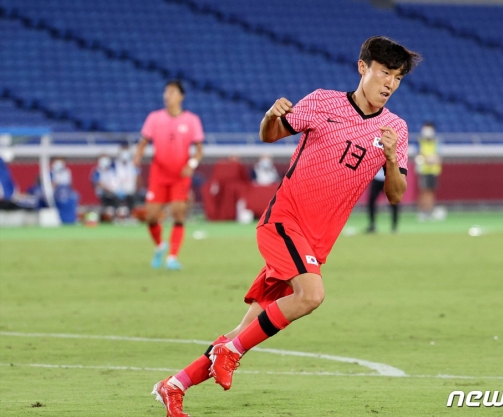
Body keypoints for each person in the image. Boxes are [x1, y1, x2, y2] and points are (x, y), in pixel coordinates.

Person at [151, 36, 421, 417]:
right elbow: (271, 134)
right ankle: (230, 353)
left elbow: (395, 195)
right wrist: (270, 115)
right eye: (384, 72)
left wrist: (391, 158)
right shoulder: (323, 102)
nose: (390, 83)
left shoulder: (396, 129)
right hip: (283, 222)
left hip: (315, 243)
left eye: (397, 77)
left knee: (245, 329)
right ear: (363, 67)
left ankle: (174, 385)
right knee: (311, 295)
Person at [134, 80, 204, 270]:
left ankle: (172, 257)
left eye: (172, 92)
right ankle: (160, 246)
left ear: (181, 96)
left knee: (178, 211)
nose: (167, 95)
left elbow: (199, 150)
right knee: (151, 216)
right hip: (159, 173)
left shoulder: (191, 120)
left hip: (180, 175)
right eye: (166, 92)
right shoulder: (154, 118)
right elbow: (143, 141)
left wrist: (191, 164)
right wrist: (137, 156)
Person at [415, 122, 441, 220]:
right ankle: (423, 211)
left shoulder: (436, 141)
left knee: (431, 191)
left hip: (433, 170)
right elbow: (419, 154)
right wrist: (426, 159)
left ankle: (429, 210)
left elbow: (439, 154)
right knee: (424, 191)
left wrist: (434, 159)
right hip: (424, 170)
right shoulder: (420, 141)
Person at [366, 167, 399, 233]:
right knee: (371, 202)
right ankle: (372, 224)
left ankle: (394, 226)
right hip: (377, 178)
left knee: (394, 202)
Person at [114, 143, 139, 215]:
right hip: (118, 190)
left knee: (133, 197)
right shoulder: (114, 164)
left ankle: (131, 214)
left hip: (130, 190)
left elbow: (136, 177)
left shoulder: (133, 164)